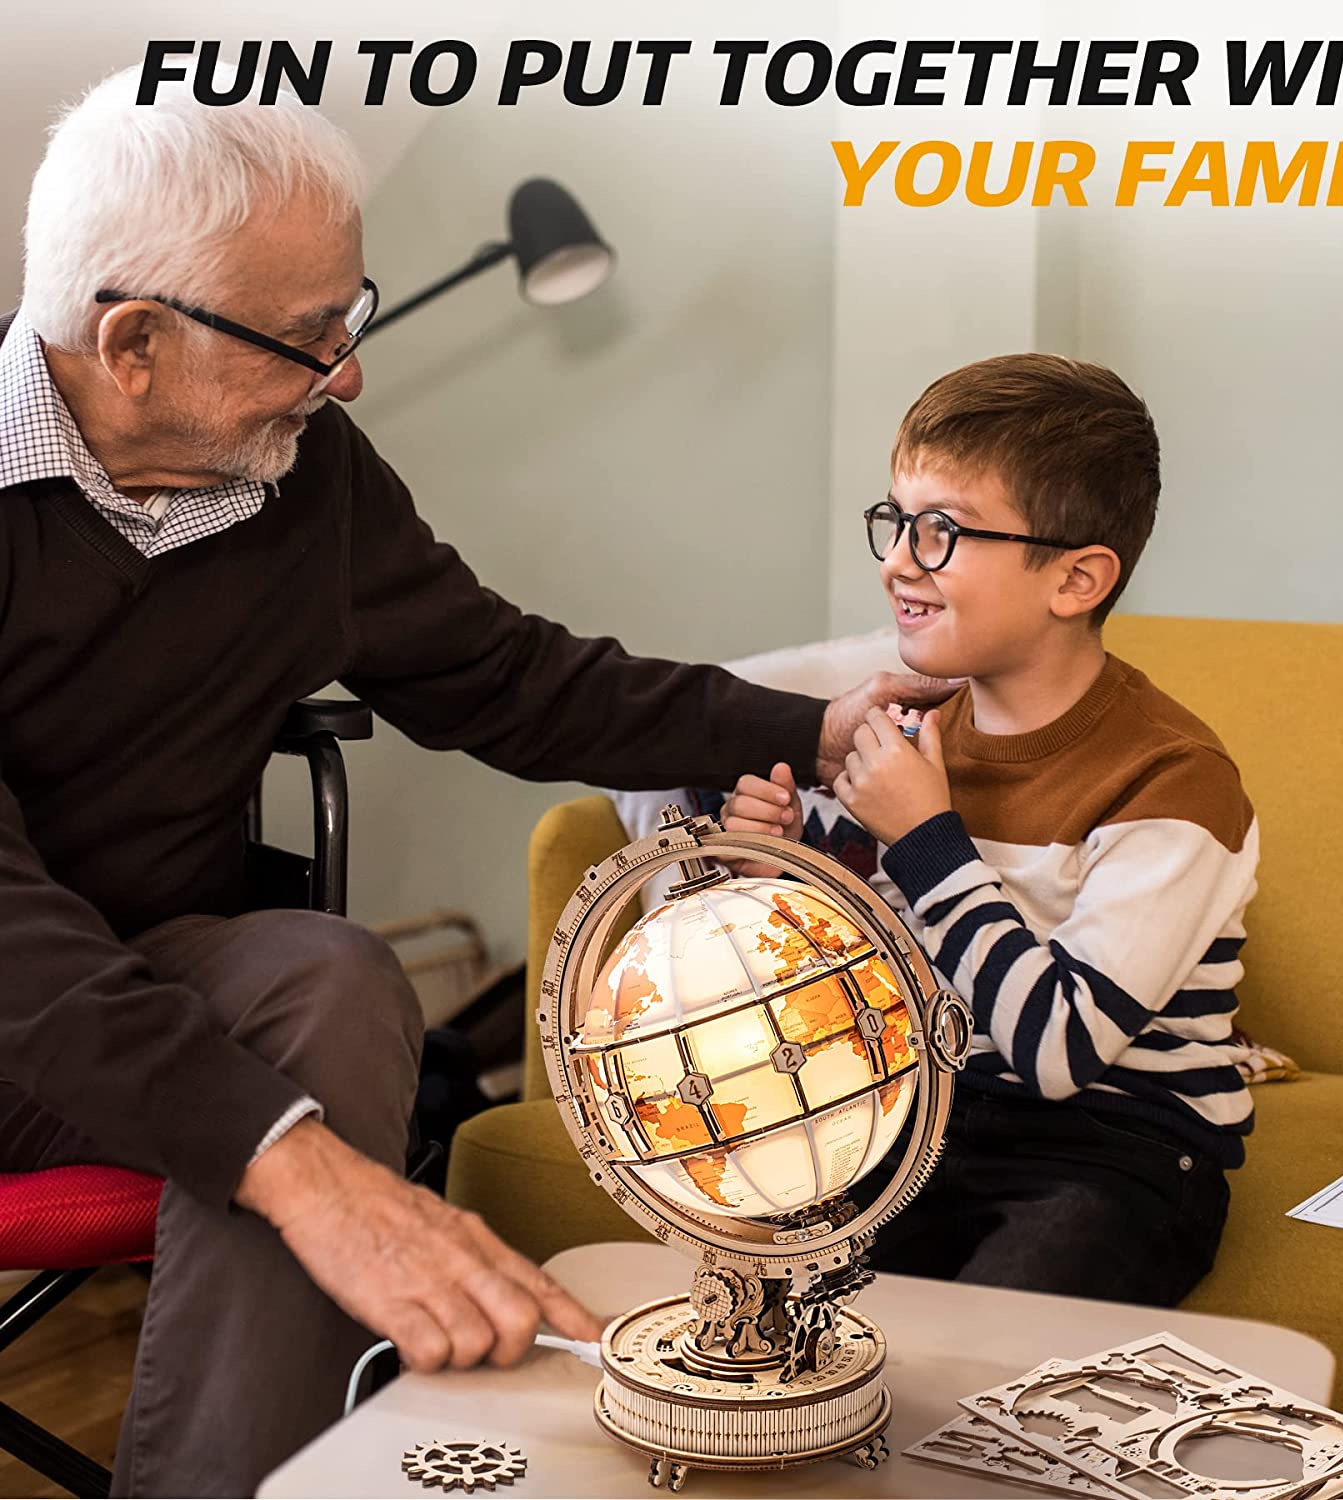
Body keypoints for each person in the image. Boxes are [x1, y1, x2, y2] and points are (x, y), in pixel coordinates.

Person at [0, 69, 952, 1497]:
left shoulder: (304, 479)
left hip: (143, 990)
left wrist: (809, 729)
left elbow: (511, 676)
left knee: (327, 976)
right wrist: (289, 1159)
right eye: (313, 335)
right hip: (23, 1005)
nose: (352, 373)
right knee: (266, 1080)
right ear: (132, 342)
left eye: (355, 315)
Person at [724, 353, 1259, 1307]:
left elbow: (1059, 1048)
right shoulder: (904, 745)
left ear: (1076, 579)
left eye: (944, 534)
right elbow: (857, 988)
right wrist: (783, 869)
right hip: (917, 1124)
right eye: (897, 522)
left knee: (992, 1350)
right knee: (773, 1308)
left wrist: (927, 838)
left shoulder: (1176, 782)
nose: (897, 562)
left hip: (1114, 1150)